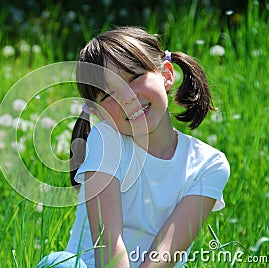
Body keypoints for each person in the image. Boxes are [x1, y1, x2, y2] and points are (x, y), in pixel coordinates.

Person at [37, 26, 229, 267]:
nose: (127, 97)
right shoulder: (106, 141)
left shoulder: (208, 165)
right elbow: (108, 245)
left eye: (135, 77)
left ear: (167, 75)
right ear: (99, 113)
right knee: (60, 263)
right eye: (108, 95)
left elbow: (165, 254)